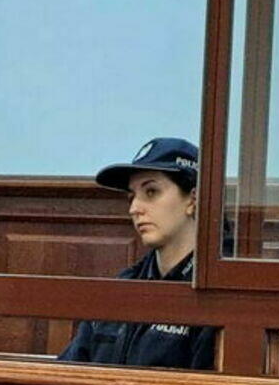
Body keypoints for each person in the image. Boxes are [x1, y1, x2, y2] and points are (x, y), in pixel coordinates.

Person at [58, 138, 217, 369]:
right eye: (132, 196)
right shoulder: (121, 289)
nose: (134, 209)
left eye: (151, 192)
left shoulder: (215, 295)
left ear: (193, 199)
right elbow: (66, 371)